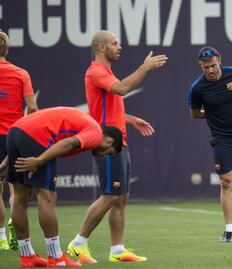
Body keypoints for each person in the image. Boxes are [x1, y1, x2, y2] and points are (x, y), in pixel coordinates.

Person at [67, 30, 167, 263]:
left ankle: (117, 250)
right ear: (101, 47)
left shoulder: (106, 72)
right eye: (114, 43)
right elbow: (121, 89)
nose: (119, 46)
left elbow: (108, 107)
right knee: (111, 195)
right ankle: (78, 244)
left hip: (119, 139)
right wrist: (146, 67)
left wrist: (130, 120)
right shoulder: (96, 72)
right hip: (107, 143)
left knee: (120, 197)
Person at [2, 107, 123, 267]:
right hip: (36, 137)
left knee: (20, 196)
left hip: (15, 132)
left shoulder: (84, 123)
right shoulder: (95, 133)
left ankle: (27, 256)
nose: (103, 156)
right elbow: (69, 142)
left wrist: (5, 162)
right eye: (108, 153)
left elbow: (30, 128)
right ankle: (56, 257)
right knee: (47, 198)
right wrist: (39, 160)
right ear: (110, 140)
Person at [188, 46, 232, 242]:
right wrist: (212, 115)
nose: (209, 70)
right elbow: (195, 114)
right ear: (201, 66)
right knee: (226, 182)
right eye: (205, 67)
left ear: (219, 60)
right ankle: (229, 231)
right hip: (221, 138)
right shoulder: (197, 88)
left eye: (212, 65)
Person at [0, 29, 38, 251]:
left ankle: (2, 237)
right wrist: (24, 128)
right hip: (15, 136)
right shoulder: (21, 73)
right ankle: (16, 223)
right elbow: (32, 107)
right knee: (17, 190)